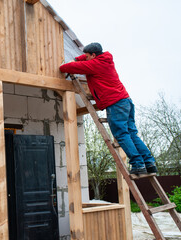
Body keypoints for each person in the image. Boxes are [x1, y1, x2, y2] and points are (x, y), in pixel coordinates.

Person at [59, 42, 157, 175]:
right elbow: (83, 60)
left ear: (93, 55)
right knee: (132, 134)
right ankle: (149, 163)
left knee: (121, 135)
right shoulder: (104, 59)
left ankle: (138, 164)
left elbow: (65, 67)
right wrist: (79, 58)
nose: (85, 58)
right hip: (126, 101)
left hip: (115, 103)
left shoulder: (94, 64)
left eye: (87, 56)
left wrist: (74, 61)